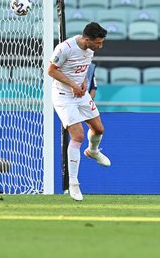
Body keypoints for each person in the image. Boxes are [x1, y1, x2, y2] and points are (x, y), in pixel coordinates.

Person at [47, 22, 111, 202]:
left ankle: (93, 151)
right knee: (78, 136)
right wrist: (73, 85)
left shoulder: (90, 51)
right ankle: (73, 183)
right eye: (98, 43)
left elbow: (82, 69)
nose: (100, 46)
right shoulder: (64, 48)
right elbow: (51, 70)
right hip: (63, 95)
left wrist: (83, 81)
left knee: (99, 129)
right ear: (86, 39)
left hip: (80, 93)